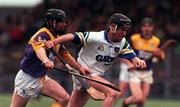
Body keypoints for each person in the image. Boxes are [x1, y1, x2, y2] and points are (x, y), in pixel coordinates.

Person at [45, 13, 146, 107]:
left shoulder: (122, 43)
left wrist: (136, 59)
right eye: (122, 30)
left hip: (93, 76)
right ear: (113, 27)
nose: (124, 33)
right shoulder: (96, 37)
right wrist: (54, 42)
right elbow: (72, 36)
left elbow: (130, 53)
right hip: (84, 72)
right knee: (113, 93)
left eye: (126, 31)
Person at [10, 9, 90, 107]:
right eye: (62, 22)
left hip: (41, 77)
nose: (64, 24)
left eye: (65, 22)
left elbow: (67, 57)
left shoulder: (55, 38)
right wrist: (46, 60)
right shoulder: (42, 34)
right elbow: (40, 49)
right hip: (27, 78)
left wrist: (80, 68)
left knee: (64, 99)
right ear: (52, 22)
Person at [122, 17, 165, 107]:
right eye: (144, 26)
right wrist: (129, 63)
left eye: (149, 26)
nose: (147, 28)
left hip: (147, 72)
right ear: (141, 28)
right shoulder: (134, 38)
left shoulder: (156, 41)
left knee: (142, 102)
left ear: (152, 28)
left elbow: (161, 59)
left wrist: (159, 55)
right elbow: (122, 53)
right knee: (138, 97)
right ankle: (125, 103)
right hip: (135, 72)